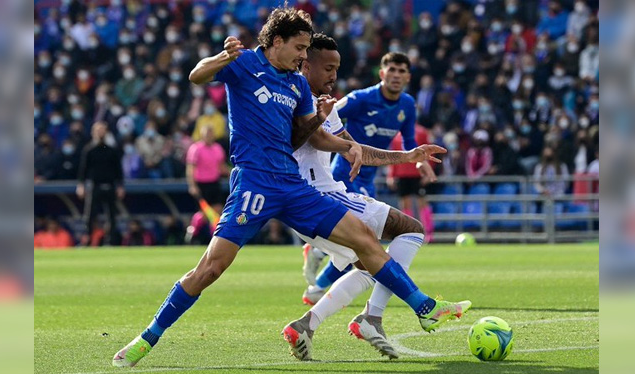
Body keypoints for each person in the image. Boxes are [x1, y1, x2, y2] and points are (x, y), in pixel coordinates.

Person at [112, 8, 469, 368]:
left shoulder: (297, 84)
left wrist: (330, 129)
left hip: (293, 185)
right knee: (210, 268)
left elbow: (304, 137)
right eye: (299, 48)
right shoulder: (244, 64)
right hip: (254, 182)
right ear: (277, 42)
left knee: (363, 237)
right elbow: (196, 75)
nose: (303, 56)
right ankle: (148, 337)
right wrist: (223, 56)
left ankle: (423, 308)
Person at [285, 33, 460, 360]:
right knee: (410, 229)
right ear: (305, 65)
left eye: (337, 68)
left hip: (310, 202)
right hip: (320, 197)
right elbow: (301, 141)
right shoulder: (298, 99)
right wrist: (324, 122)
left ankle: (307, 323)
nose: (334, 76)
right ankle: (385, 314)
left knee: (371, 264)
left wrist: (409, 156)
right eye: (328, 68)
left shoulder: (328, 102)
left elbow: (356, 149)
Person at [304, 52, 438, 301]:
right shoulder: (361, 98)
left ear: (408, 77)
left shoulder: (407, 105)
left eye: (402, 71)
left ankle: (318, 277)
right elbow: (328, 113)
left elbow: (409, 140)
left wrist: (419, 162)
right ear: (382, 73)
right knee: (365, 238)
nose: (396, 75)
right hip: (345, 173)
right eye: (392, 70)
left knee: (364, 240)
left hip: (370, 175)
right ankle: (320, 276)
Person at [76, 121, 124, 246]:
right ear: (93, 133)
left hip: (109, 185)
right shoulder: (89, 150)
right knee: (89, 216)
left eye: (102, 130)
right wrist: (81, 185)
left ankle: (111, 241)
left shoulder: (112, 150)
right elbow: (83, 170)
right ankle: (88, 240)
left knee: (111, 216)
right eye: (98, 130)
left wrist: (120, 186)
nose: (100, 133)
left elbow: (118, 170)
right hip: (94, 186)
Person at [185, 126, 229, 244]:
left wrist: (234, 173)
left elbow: (221, 167)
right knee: (205, 212)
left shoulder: (217, 148)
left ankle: (213, 237)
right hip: (201, 184)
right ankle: (193, 232)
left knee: (217, 210)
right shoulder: (196, 148)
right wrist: (192, 185)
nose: (209, 136)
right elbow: (191, 168)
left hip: (214, 183)